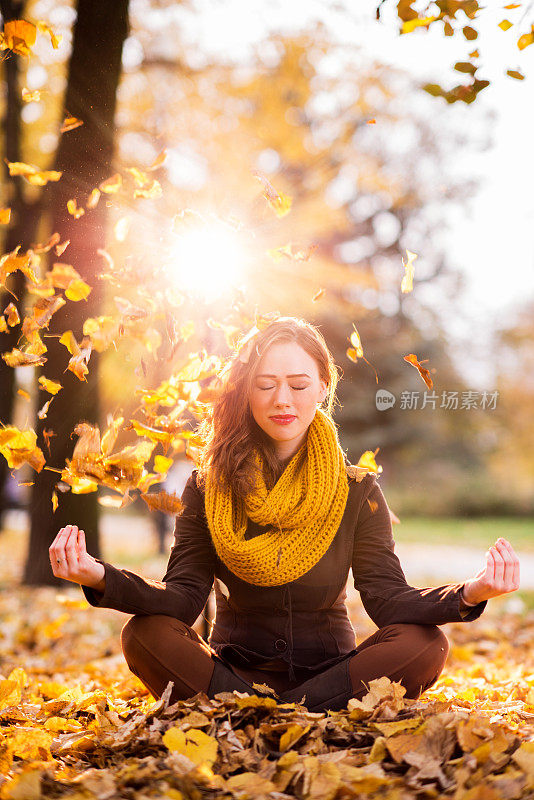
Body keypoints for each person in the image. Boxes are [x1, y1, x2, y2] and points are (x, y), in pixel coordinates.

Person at [49, 317, 520, 713]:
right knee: (144, 632)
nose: (282, 400)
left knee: (425, 644)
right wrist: (99, 577)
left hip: (334, 673)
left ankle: (263, 713)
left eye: (298, 385)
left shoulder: (357, 489)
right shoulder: (207, 484)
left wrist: (470, 592)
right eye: (266, 385)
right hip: (230, 671)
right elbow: (183, 597)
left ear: (322, 387)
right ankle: (264, 708)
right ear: (246, 392)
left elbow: (388, 599)